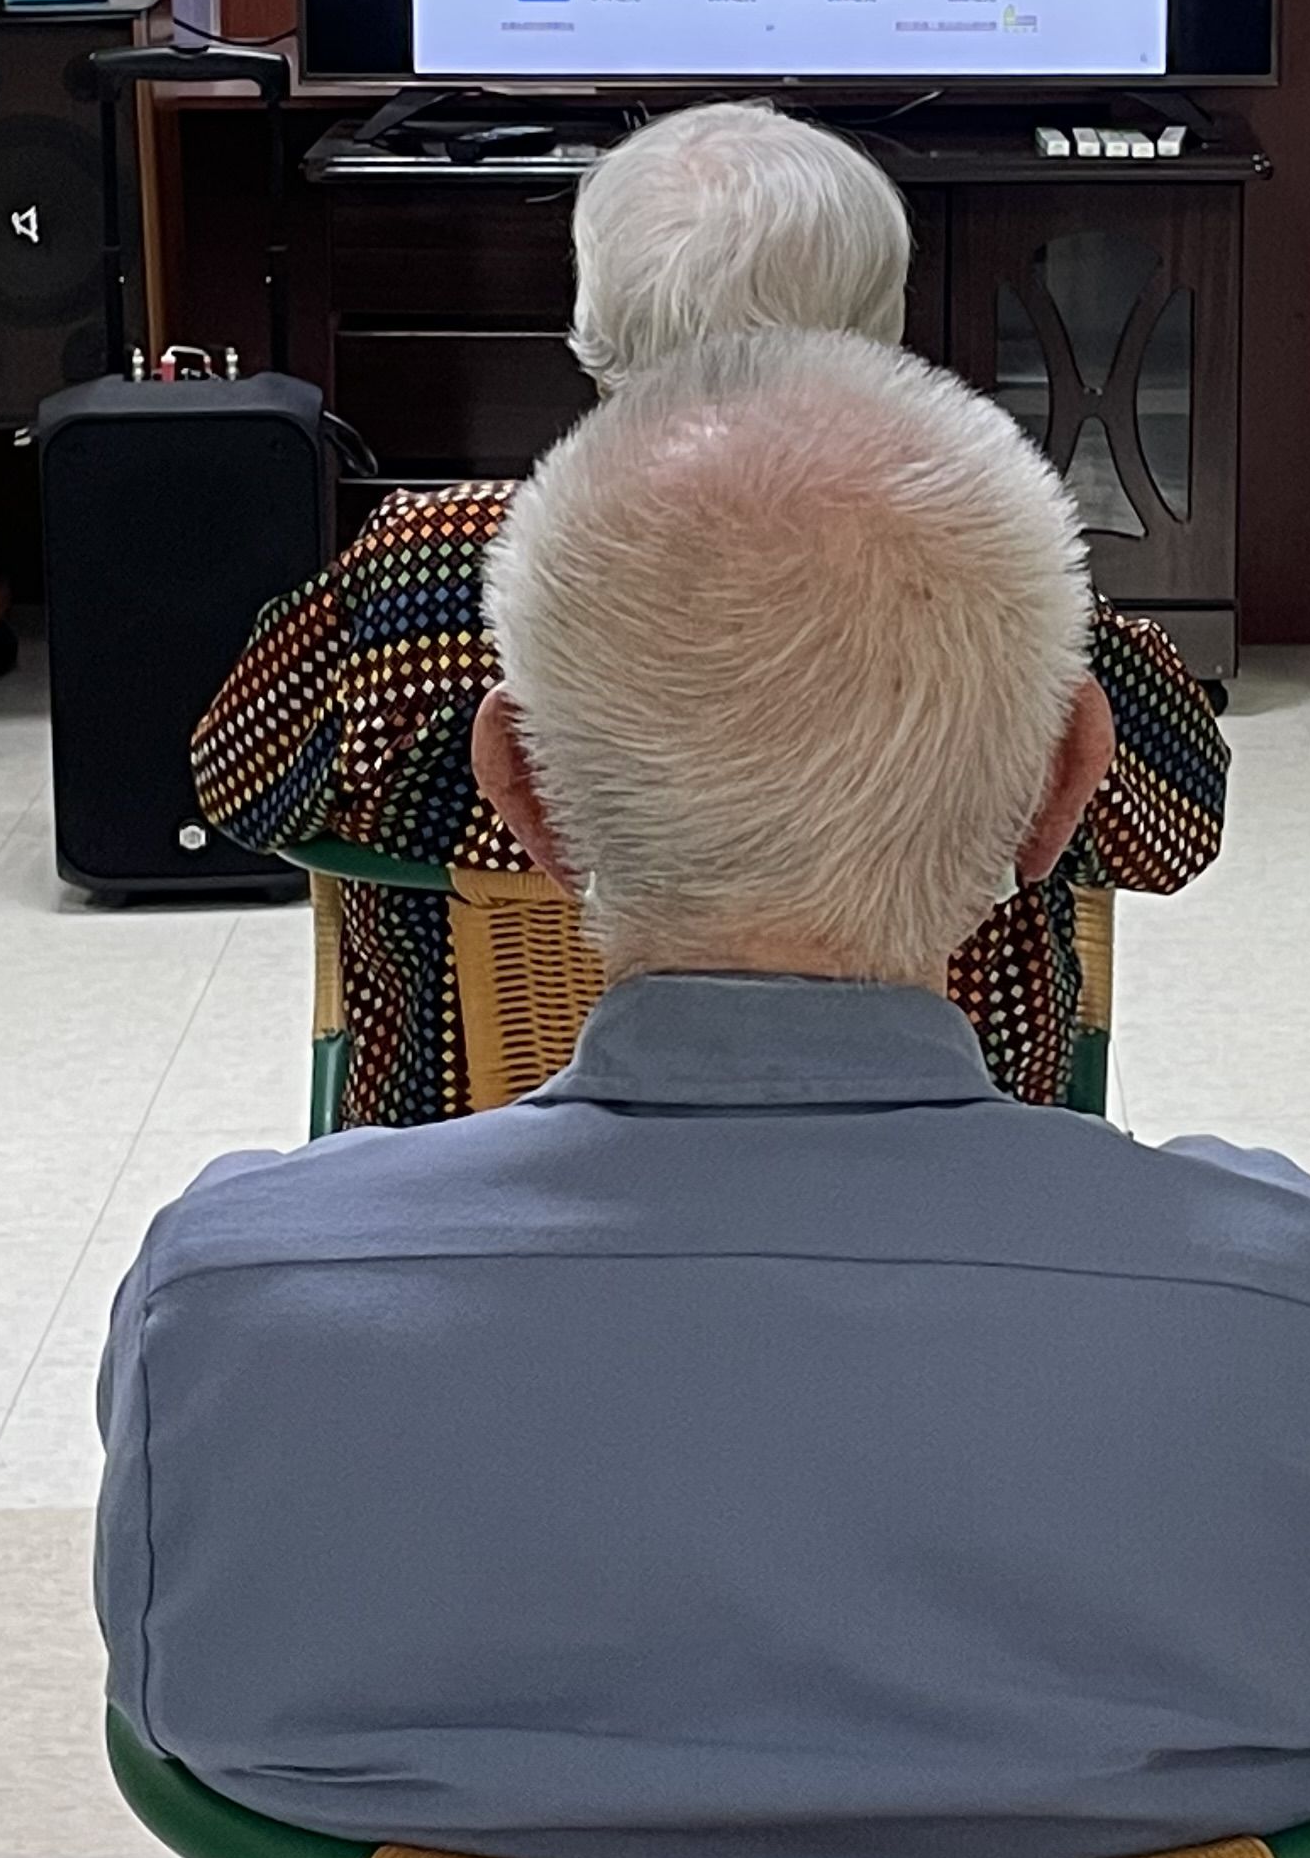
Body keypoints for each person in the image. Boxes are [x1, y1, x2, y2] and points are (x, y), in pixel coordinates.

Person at [100, 331, 1310, 1858]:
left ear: (519, 790)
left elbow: (191, 1738)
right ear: (1060, 788)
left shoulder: (234, 1306)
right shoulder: (1297, 1310)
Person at [190, 99, 1225, 1123]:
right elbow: (1177, 831)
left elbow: (239, 784)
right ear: (882, 332)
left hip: (476, 1130)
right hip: (939, 1149)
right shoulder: (983, 566)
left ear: (592, 327)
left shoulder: (425, 573)